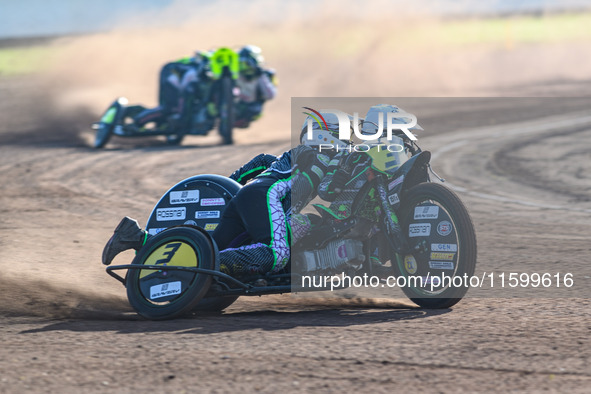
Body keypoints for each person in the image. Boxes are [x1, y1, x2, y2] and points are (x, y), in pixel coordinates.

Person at [101, 116, 338, 279]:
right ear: (324, 135)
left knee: (213, 246)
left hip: (249, 200)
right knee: (276, 254)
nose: (345, 143)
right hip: (263, 198)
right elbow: (331, 189)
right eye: (340, 136)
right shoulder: (316, 155)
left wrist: (231, 188)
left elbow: (262, 160)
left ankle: (135, 236)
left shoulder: (291, 158)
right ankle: (199, 268)